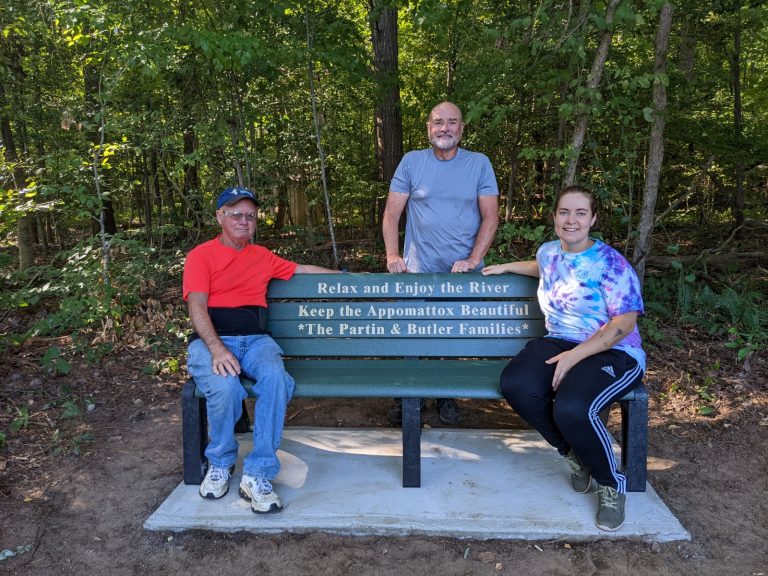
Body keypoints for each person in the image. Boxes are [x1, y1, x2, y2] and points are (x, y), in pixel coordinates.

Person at [482, 185, 645, 531]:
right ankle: (573, 453)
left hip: (613, 351)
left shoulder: (612, 264)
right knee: (517, 385)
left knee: (572, 408)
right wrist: (505, 266)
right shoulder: (548, 252)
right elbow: (543, 266)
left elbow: (624, 322)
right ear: (555, 217)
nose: (571, 220)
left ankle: (610, 484)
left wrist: (575, 357)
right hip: (559, 340)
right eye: (564, 212)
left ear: (593, 219)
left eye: (580, 213)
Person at [183, 186, 339, 513]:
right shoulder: (201, 256)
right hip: (211, 342)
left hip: (255, 341)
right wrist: (216, 348)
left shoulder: (262, 256)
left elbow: (303, 270)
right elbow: (197, 307)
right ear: (220, 217)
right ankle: (221, 461)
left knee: (276, 379)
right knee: (225, 388)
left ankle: (257, 474)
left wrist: (348, 277)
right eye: (236, 214)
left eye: (250, 216)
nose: (243, 220)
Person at [382, 101, 499, 425]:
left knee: (449, 335)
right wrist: (393, 255)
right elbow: (392, 214)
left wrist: (474, 259)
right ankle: (409, 397)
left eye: (451, 122)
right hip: (417, 268)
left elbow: (491, 216)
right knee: (411, 335)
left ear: (461, 129)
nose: (444, 128)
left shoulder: (478, 164)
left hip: (460, 272)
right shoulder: (411, 162)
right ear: (428, 128)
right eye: (438, 122)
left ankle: (445, 393)